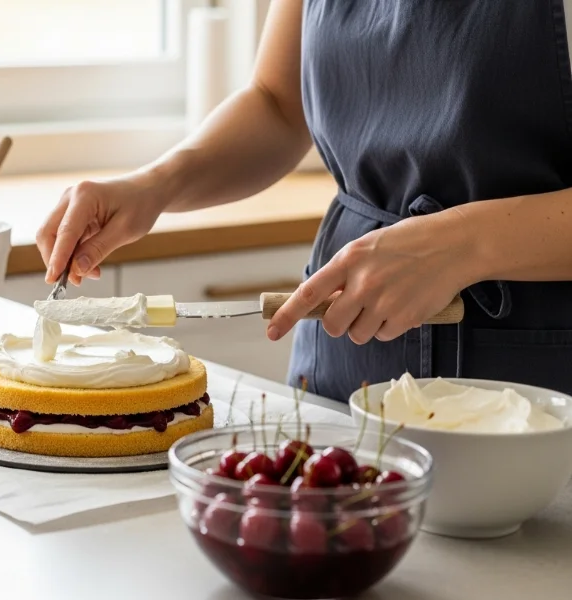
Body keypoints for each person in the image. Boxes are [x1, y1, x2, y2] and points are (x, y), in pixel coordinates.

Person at [34, 0, 572, 402]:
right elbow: (277, 105)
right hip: (343, 359)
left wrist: (462, 245)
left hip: (533, 376)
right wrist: (153, 185)